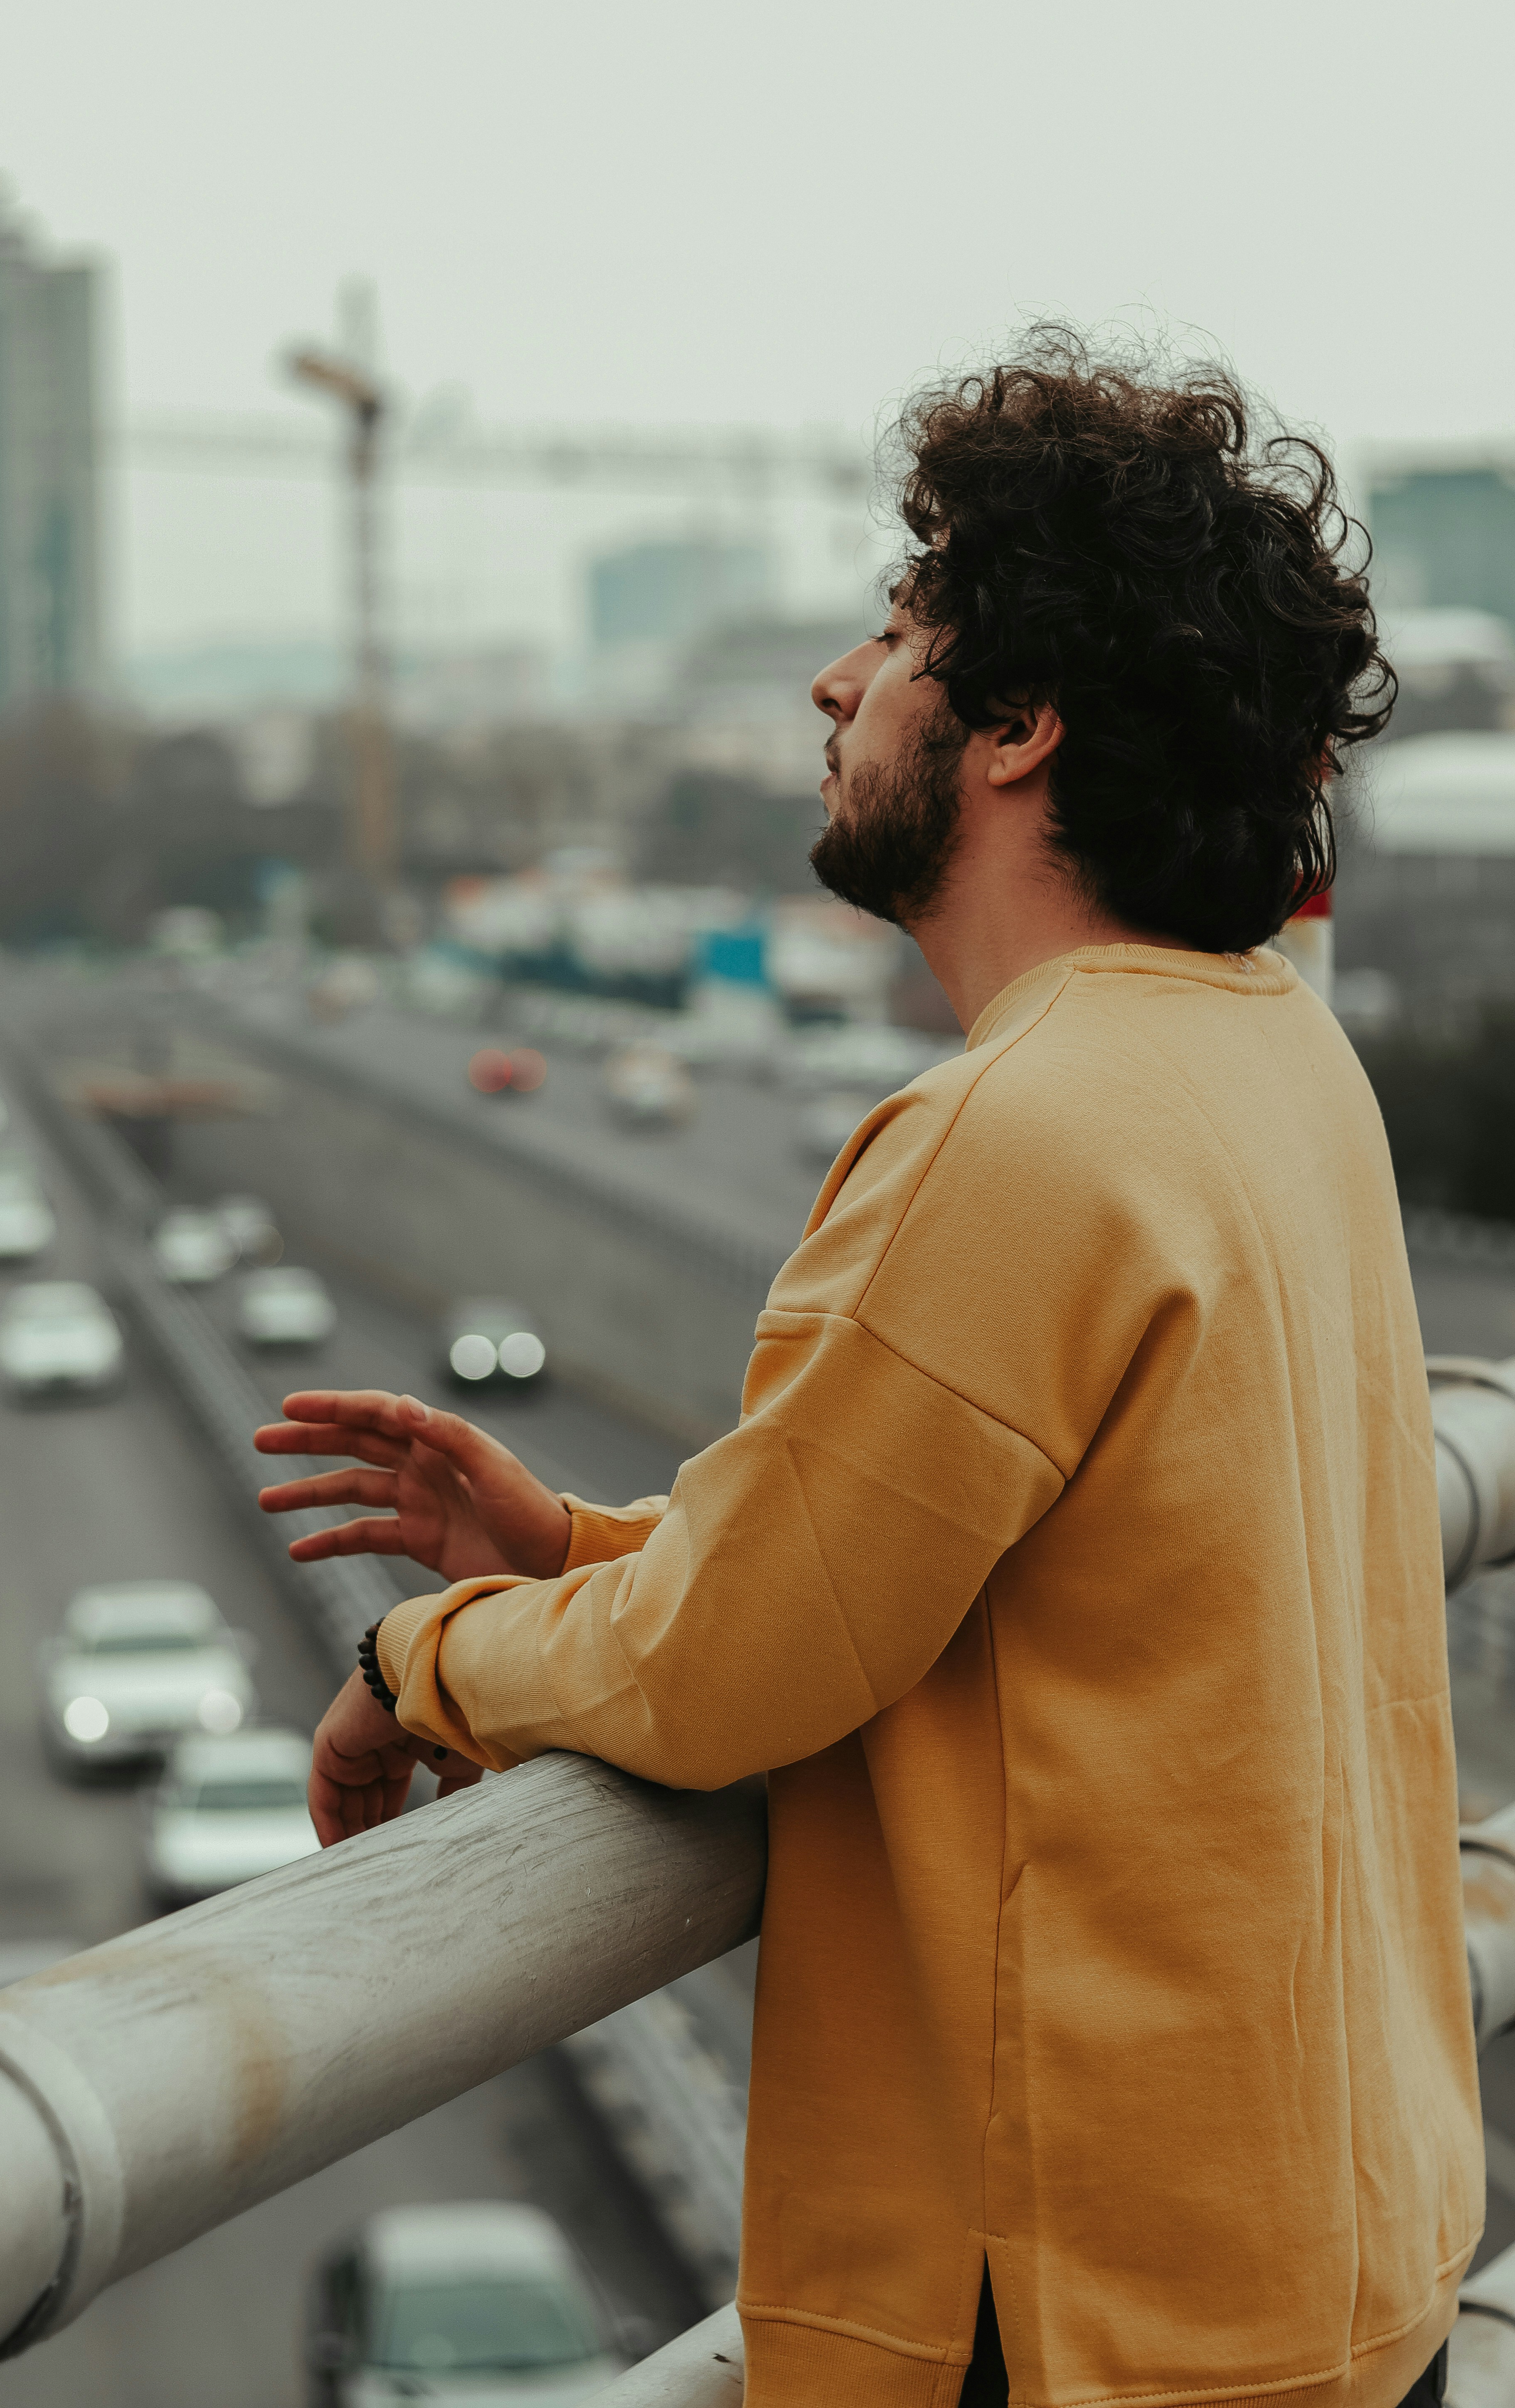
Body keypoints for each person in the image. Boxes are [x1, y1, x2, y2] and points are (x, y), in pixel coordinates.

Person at [255, 335, 1480, 2408]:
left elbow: (738, 1669)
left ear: (1015, 728)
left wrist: (424, 1659)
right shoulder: (1277, 1064)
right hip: (1327, 2275)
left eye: (900, 630)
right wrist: (574, 1548)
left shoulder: (1010, 1137)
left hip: (1084, 2320)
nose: (836, 682)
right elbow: (993, 1592)